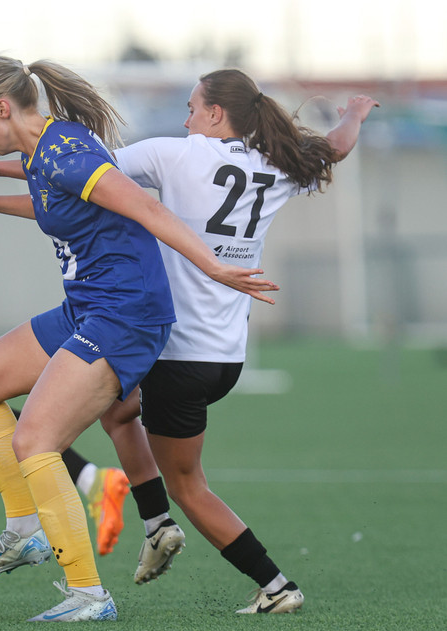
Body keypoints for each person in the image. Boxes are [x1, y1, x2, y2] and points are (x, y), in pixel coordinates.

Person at [0, 55, 278, 622]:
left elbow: (142, 205)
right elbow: (54, 204)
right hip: (88, 307)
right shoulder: (46, 149)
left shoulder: (64, 152)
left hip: (126, 314)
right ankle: (25, 529)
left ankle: (89, 596)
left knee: (35, 441)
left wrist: (214, 267)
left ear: (2, 108)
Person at [107, 72, 379, 613]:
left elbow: (80, 171)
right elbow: (337, 147)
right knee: (115, 407)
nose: (186, 118)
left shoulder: (176, 154)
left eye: (192, 107)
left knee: (189, 487)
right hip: (226, 357)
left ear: (215, 114)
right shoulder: (276, 164)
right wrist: (355, 113)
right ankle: (156, 523)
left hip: (178, 355)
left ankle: (274, 585)